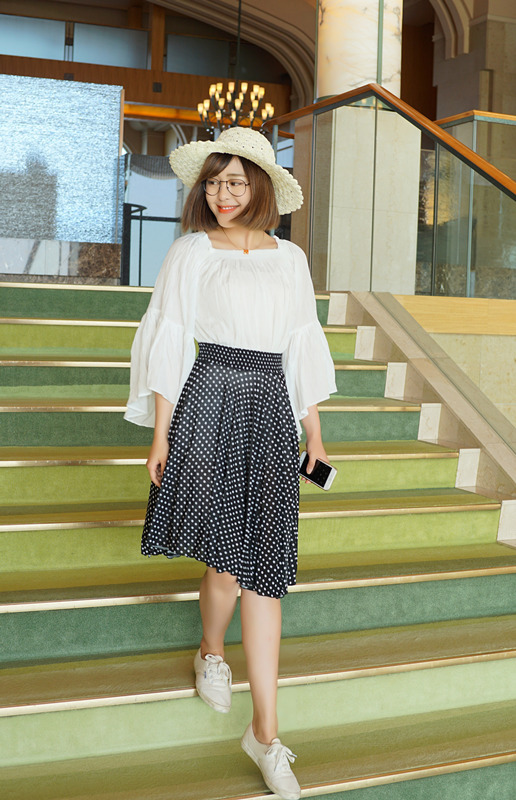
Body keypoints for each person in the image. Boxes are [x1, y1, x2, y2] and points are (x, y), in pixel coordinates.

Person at [124, 126, 337, 800]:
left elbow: (301, 343)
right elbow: (168, 335)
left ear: (261, 188)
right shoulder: (190, 251)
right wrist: (160, 434)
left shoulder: (290, 259)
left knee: (266, 571)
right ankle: (211, 651)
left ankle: (266, 734)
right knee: (225, 562)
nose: (222, 194)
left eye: (236, 183)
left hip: (271, 405)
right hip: (209, 397)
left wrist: (314, 434)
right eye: (214, 183)